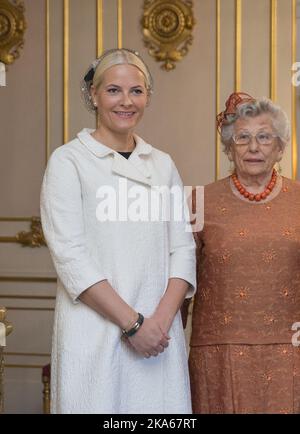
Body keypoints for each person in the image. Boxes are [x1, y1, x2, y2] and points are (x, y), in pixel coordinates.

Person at [40, 48, 196, 414]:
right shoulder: (69, 162)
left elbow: (183, 249)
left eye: (136, 91)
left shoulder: (162, 164)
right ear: (93, 95)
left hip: (159, 340)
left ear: (147, 97)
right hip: (93, 334)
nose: (126, 101)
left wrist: (157, 323)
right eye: (113, 90)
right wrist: (133, 325)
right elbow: (70, 256)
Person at [189, 92, 300, 414]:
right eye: (243, 137)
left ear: (280, 147)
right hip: (218, 352)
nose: (254, 147)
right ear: (228, 146)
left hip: (290, 351)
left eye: (264, 137)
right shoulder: (197, 202)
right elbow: (179, 281)